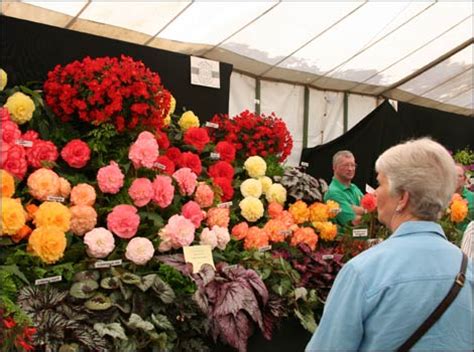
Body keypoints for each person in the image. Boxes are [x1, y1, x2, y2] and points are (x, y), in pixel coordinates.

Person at [306, 138, 473, 351]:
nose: (374, 193)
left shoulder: (363, 271)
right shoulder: (466, 268)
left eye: (380, 183)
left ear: (402, 198)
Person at [324, 150, 365, 226]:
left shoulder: (354, 187)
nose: (350, 169)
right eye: (346, 165)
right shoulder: (333, 192)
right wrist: (366, 212)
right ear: (335, 167)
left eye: (353, 165)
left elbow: (370, 206)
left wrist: (356, 209)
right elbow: (354, 221)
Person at [455, 163, 474, 231]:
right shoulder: (443, 198)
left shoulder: (472, 198)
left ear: (464, 179)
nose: (455, 179)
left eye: (459, 176)